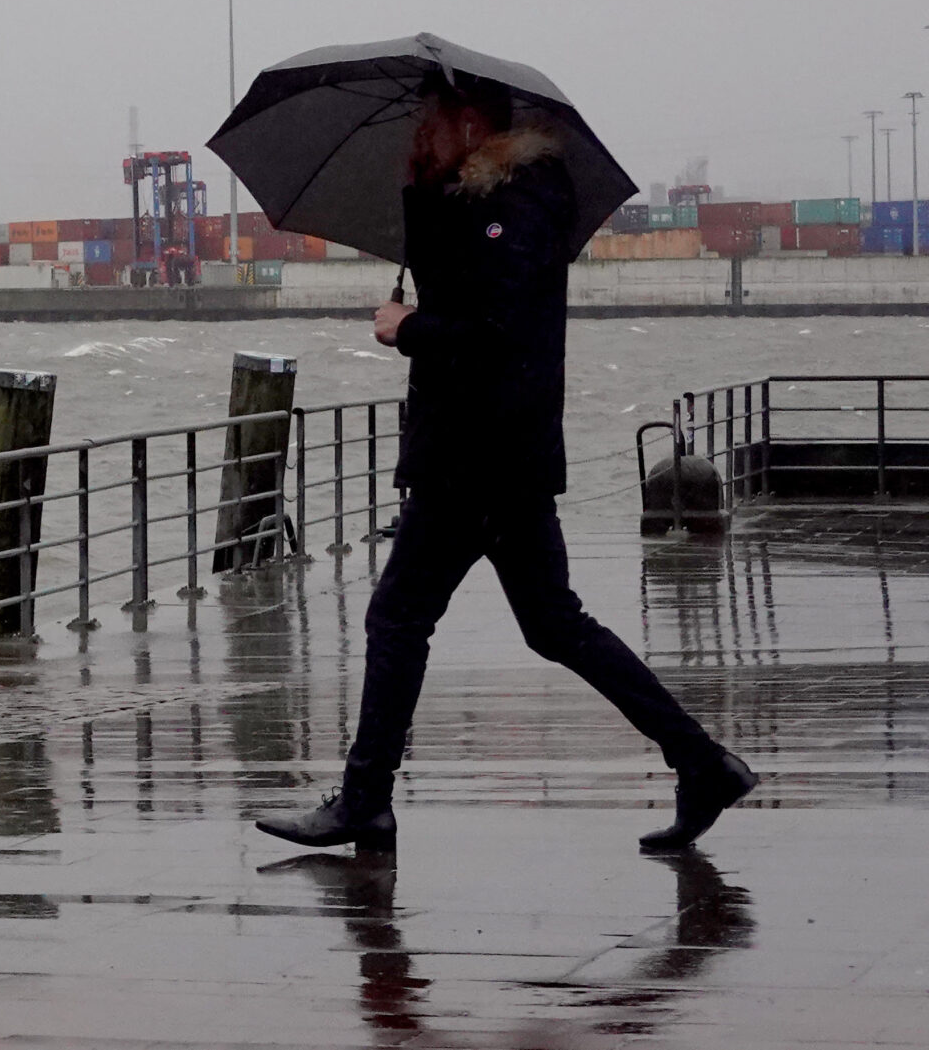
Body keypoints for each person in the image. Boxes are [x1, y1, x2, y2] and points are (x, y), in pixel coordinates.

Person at [257, 75, 755, 855]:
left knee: (400, 618)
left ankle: (365, 800)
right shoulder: (480, 202)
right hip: (493, 453)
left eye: (427, 121)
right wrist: (421, 205)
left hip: (479, 457)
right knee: (552, 623)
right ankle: (701, 760)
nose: (416, 135)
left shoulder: (513, 205)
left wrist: (410, 327)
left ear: (466, 120)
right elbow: (480, 297)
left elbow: (502, 328)